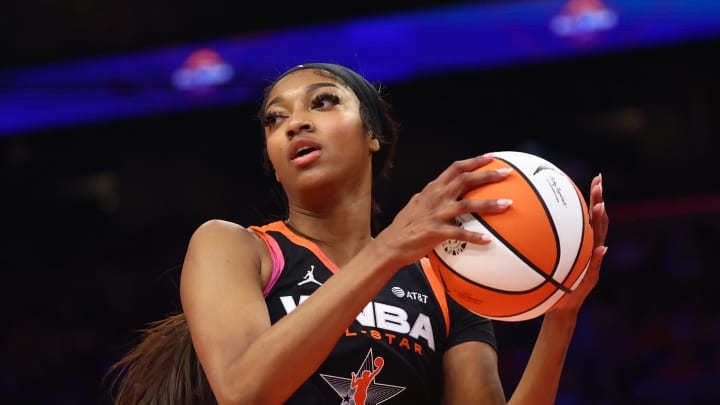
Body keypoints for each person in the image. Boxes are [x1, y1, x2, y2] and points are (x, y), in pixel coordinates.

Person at [107, 62, 609, 404]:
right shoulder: (235, 246)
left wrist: (560, 313)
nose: (294, 124)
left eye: (322, 103)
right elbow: (244, 391)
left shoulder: (444, 278)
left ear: (374, 135)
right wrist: (388, 250)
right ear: (275, 166)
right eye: (275, 119)